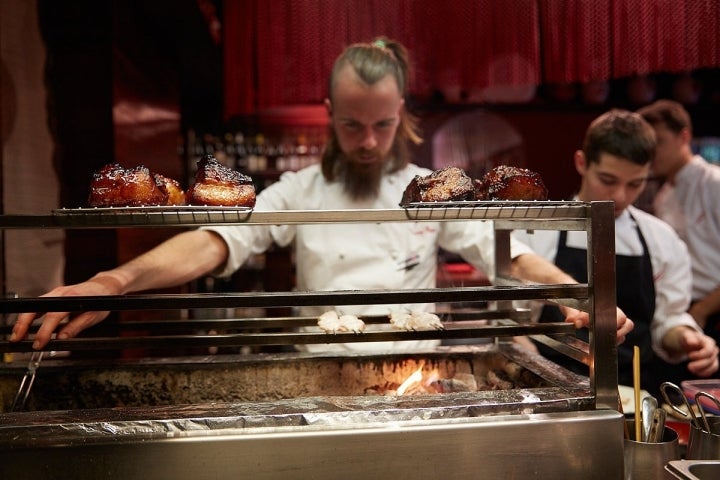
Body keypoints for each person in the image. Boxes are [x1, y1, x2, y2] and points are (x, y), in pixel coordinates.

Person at [10, 37, 632, 353]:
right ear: (330, 114)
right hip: (319, 373)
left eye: (382, 125)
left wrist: (576, 300)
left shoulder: (425, 191)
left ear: (401, 114)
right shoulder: (300, 191)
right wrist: (115, 283)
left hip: (414, 377)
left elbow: (510, 254)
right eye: (352, 125)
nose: (367, 142)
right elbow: (216, 240)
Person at [515, 109, 718, 397]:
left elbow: (666, 323)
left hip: (636, 394)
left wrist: (688, 339)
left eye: (635, 184)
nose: (620, 196)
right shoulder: (535, 232)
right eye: (608, 180)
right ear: (581, 163)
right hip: (551, 393)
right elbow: (514, 323)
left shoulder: (661, 239)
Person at [637, 100, 720, 347]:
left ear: (684, 136)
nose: (652, 152)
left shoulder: (714, 183)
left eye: (659, 141)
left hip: (711, 308)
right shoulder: (664, 196)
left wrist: (704, 309)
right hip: (682, 308)